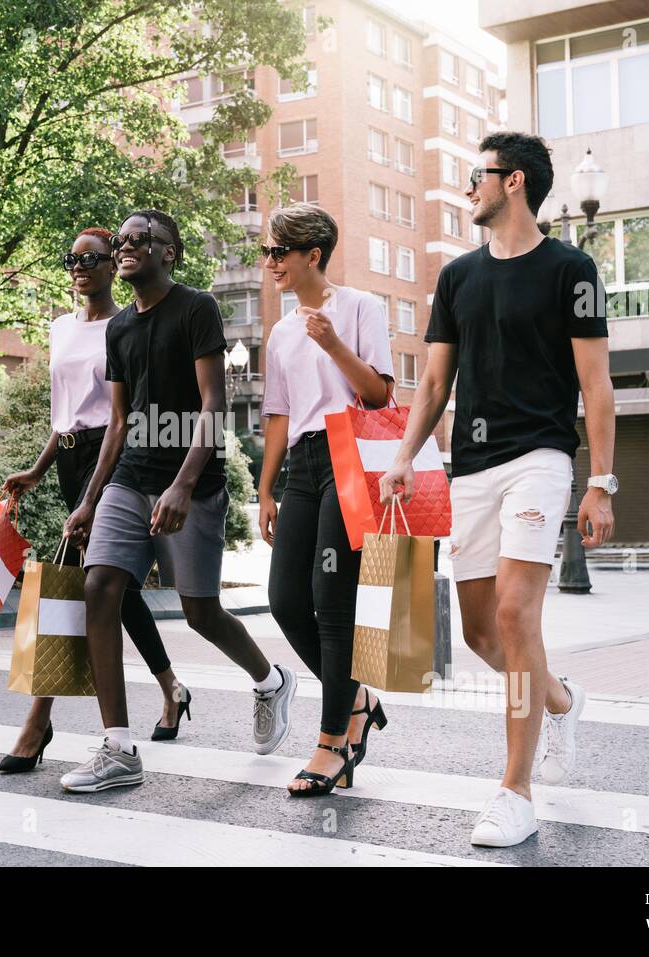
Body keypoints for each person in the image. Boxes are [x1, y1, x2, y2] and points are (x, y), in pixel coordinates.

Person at [379, 132, 616, 847]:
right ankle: (560, 699)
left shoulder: (571, 269)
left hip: (540, 458)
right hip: (472, 467)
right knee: (481, 629)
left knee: (516, 615)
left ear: (513, 182)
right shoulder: (457, 280)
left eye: (473, 175)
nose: (464, 188)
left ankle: (514, 789)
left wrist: (600, 482)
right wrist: (403, 456)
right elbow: (434, 383)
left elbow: (596, 385)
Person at [60, 210, 296, 793]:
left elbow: (213, 403)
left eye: (143, 238)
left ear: (170, 253)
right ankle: (118, 747)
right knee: (100, 587)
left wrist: (185, 484)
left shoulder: (196, 309)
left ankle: (269, 680)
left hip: (192, 478)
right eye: (123, 238)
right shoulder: (118, 329)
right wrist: (91, 498)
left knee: (201, 612)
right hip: (130, 474)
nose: (126, 245)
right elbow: (117, 422)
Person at [0, 227, 191, 773]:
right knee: (108, 587)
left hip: (114, 458)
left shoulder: (126, 325)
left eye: (91, 259)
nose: (79, 268)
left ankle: (38, 721)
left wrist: (96, 488)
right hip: (69, 459)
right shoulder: (61, 327)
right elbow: (65, 413)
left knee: (89, 584)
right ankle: (171, 686)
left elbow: (122, 414)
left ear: (114, 265)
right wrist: (38, 469)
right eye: (71, 260)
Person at [257, 203, 394, 796]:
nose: (269, 263)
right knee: (285, 599)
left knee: (330, 600)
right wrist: (266, 487)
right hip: (303, 465)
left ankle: (332, 741)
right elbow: (281, 416)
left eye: (278, 252)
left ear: (312, 255)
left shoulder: (362, 307)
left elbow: (381, 396)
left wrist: (335, 344)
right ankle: (357, 695)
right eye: (267, 252)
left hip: (351, 456)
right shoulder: (281, 332)